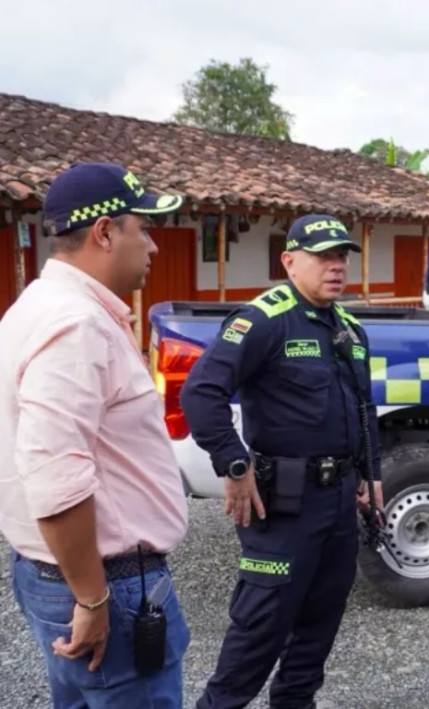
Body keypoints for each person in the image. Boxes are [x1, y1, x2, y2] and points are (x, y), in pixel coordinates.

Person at [0, 162, 191, 707]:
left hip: (70, 575)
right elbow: (55, 476)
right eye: (144, 229)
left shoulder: (34, 309)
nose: (154, 246)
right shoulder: (75, 323)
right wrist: (91, 597)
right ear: (106, 231)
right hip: (108, 583)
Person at [180, 213, 384, 709]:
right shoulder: (264, 320)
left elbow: (363, 409)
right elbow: (201, 393)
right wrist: (234, 464)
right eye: (323, 257)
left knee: (318, 628)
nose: (336, 267)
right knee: (258, 631)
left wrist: (372, 475)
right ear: (289, 261)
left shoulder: (350, 330)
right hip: (283, 505)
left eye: (341, 256)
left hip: (338, 504)